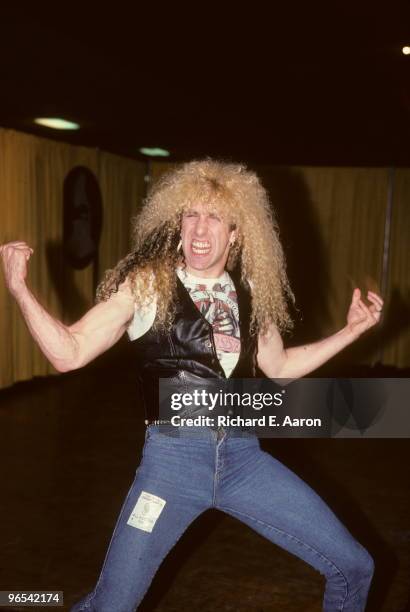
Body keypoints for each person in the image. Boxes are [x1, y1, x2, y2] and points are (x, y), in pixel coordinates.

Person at [0, 159, 384, 611]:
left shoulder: (249, 293)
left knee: (354, 565)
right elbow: (69, 352)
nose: (200, 229)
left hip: (245, 461)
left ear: (237, 232)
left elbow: (279, 366)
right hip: (172, 466)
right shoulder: (146, 284)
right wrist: (19, 289)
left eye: (215, 217)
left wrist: (351, 332)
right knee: (112, 605)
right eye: (191, 215)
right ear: (177, 222)